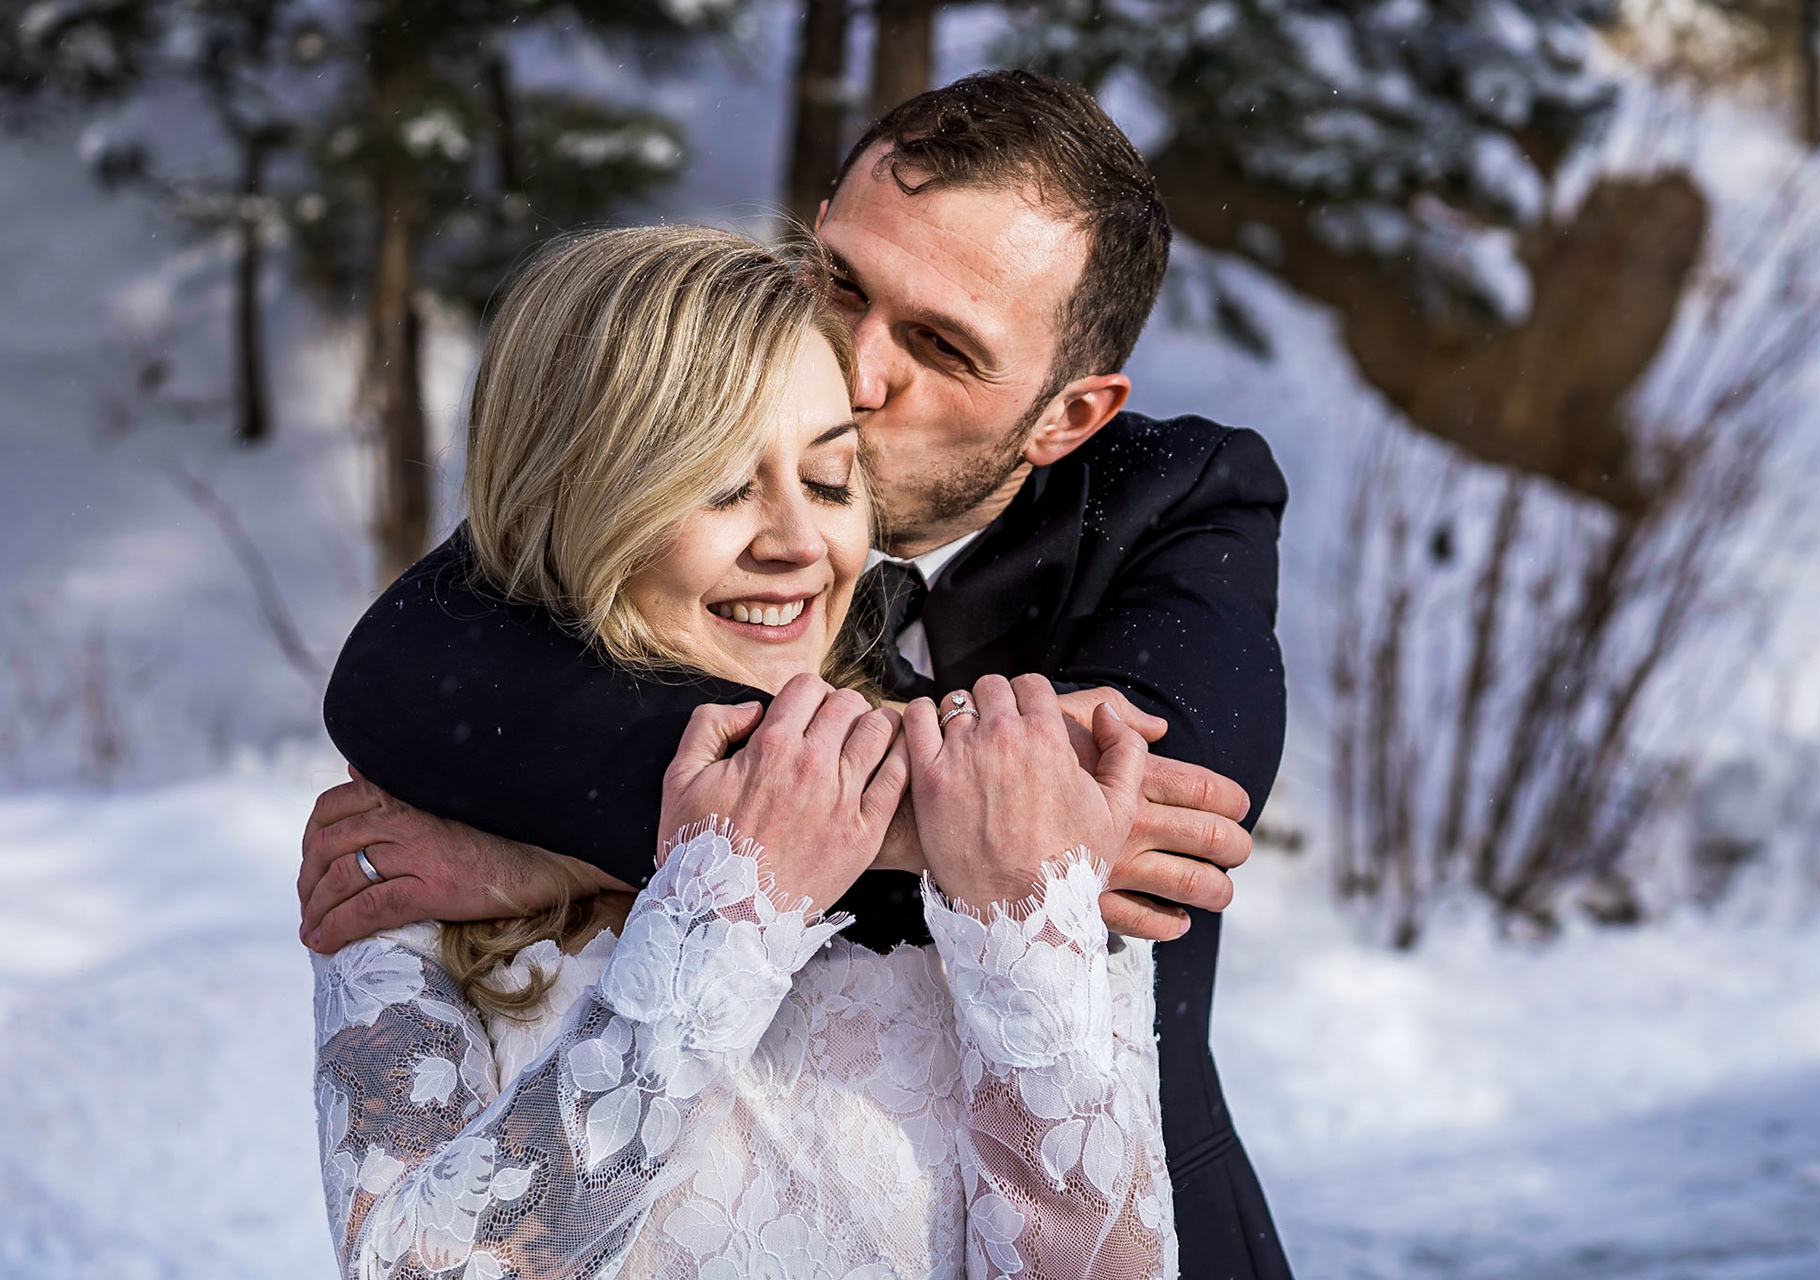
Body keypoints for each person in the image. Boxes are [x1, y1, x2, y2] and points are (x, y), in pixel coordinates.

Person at [308, 71, 1292, 1277]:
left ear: (1068, 414)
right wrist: (930, 824)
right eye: (843, 280)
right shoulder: (645, 466)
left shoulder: (1174, 501)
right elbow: (402, 677)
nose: (855, 362)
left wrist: (569, 855)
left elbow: (1149, 824)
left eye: (940, 345)